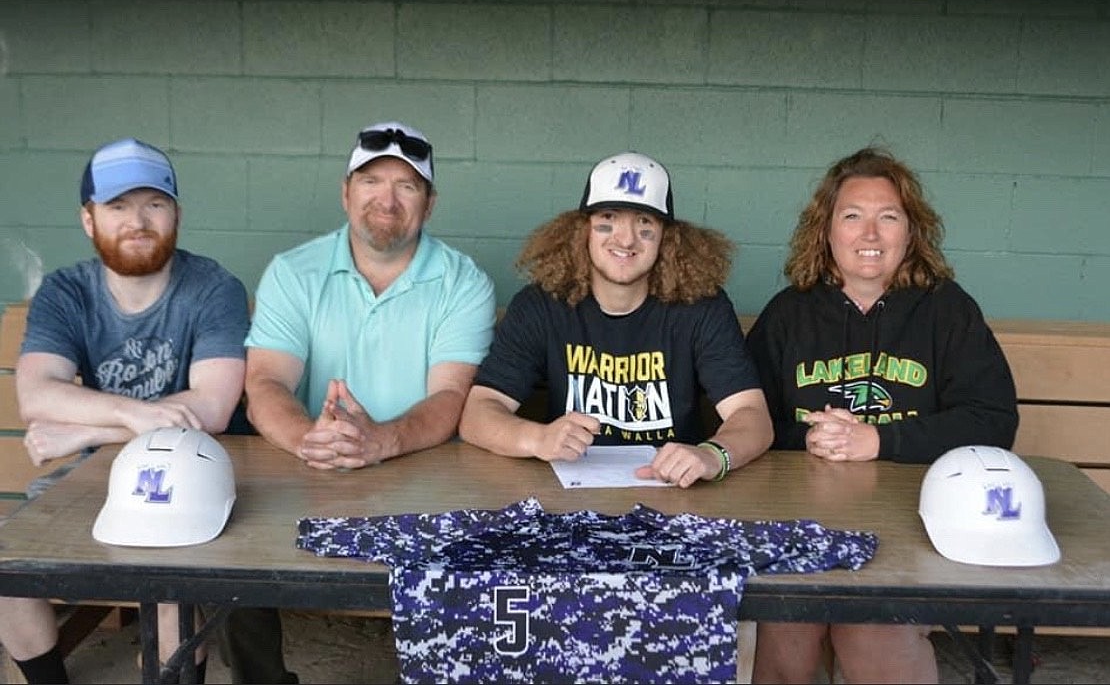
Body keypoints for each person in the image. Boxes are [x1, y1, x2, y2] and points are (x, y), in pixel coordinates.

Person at [229, 120, 495, 684]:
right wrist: (311, 438)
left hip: (424, 476)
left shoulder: (462, 281)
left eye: (408, 185)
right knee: (230, 551)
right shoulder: (294, 271)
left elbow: (450, 397)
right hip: (309, 472)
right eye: (371, 180)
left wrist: (381, 441)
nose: (387, 199)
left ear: (430, 202)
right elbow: (266, 384)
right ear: (345, 192)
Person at [745, 146, 1019, 684]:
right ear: (825, 230)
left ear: (911, 233)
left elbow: (993, 420)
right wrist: (811, 436)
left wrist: (878, 440)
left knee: (872, 626)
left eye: (887, 217)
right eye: (853, 216)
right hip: (802, 521)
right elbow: (746, 419)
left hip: (907, 523)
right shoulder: (789, 314)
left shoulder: (946, 310)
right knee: (787, 627)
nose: (870, 235)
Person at [0, 137, 251, 684]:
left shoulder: (212, 287)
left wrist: (80, 429)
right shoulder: (67, 292)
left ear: (176, 213)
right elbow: (37, 394)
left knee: (166, 581)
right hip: (95, 478)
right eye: (117, 206)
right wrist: (135, 417)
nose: (138, 220)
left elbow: (209, 407)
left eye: (153, 204)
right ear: (89, 220)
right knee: (6, 559)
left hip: (193, 480)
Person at [459, 151, 773, 487]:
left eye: (644, 224)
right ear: (583, 231)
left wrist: (713, 455)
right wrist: (536, 438)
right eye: (608, 218)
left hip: (673, 493)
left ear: (667, 238)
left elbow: (752, 416)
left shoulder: (701, 307)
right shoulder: (541, 306)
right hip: (568, 496)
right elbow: (478, 413)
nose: (625, 239)